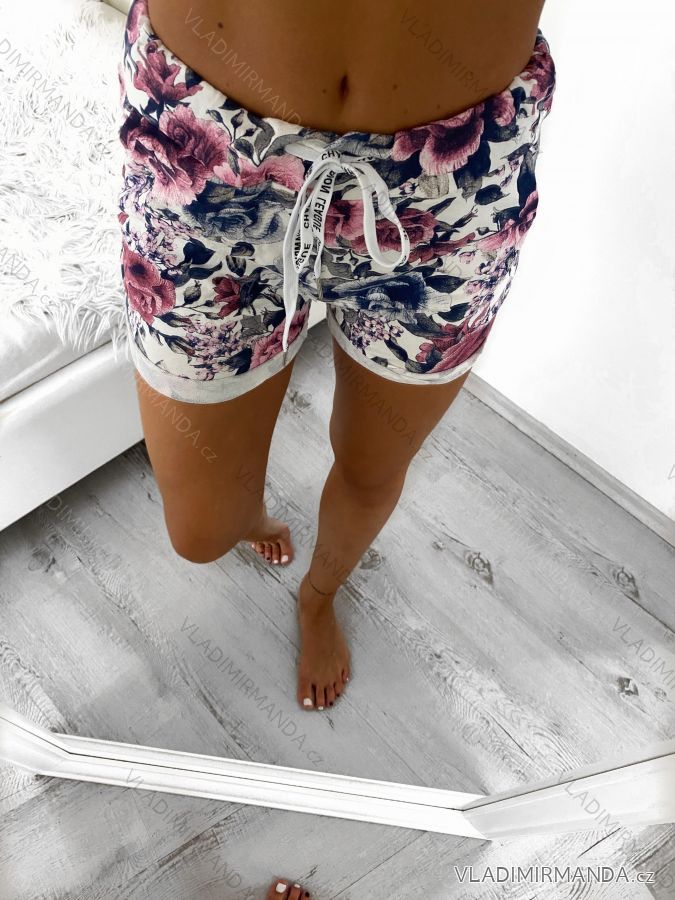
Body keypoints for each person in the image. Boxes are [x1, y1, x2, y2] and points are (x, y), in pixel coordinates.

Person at [117, 0, 555, 716]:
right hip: (206, 149)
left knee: (371, 465)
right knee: (201, 532)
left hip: (455, 184)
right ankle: (250, 515)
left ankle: (319, 596)